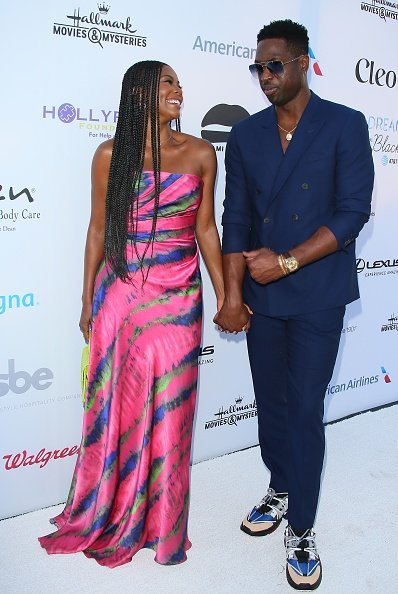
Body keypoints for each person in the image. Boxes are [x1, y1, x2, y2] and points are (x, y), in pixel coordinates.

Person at [39, 60, 224, 567]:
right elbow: (98, 229)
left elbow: (206, 228)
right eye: (167, 82)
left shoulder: (203, 153)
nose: (178, 90)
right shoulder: (109, 154)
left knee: (172, 409)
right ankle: (110, 509)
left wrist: (228, 293)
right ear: (139, 93)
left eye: (179, 82)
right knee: (115, 410)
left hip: (180, 296)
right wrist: (85, 303)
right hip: (120, 296)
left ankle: (162, 523)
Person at [215, 19, 374, 591]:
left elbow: (352, 213)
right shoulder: (247, 135)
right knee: (271, 401)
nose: (265, 76)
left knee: (305, 407)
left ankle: (302, 526)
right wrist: (232, 293)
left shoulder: (344, 124)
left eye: (275, 65)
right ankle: (281, 484)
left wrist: (285, 262)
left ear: (304, 62)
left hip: (315, 293)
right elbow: (234, 218)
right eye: (257, 67)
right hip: (260, 295)